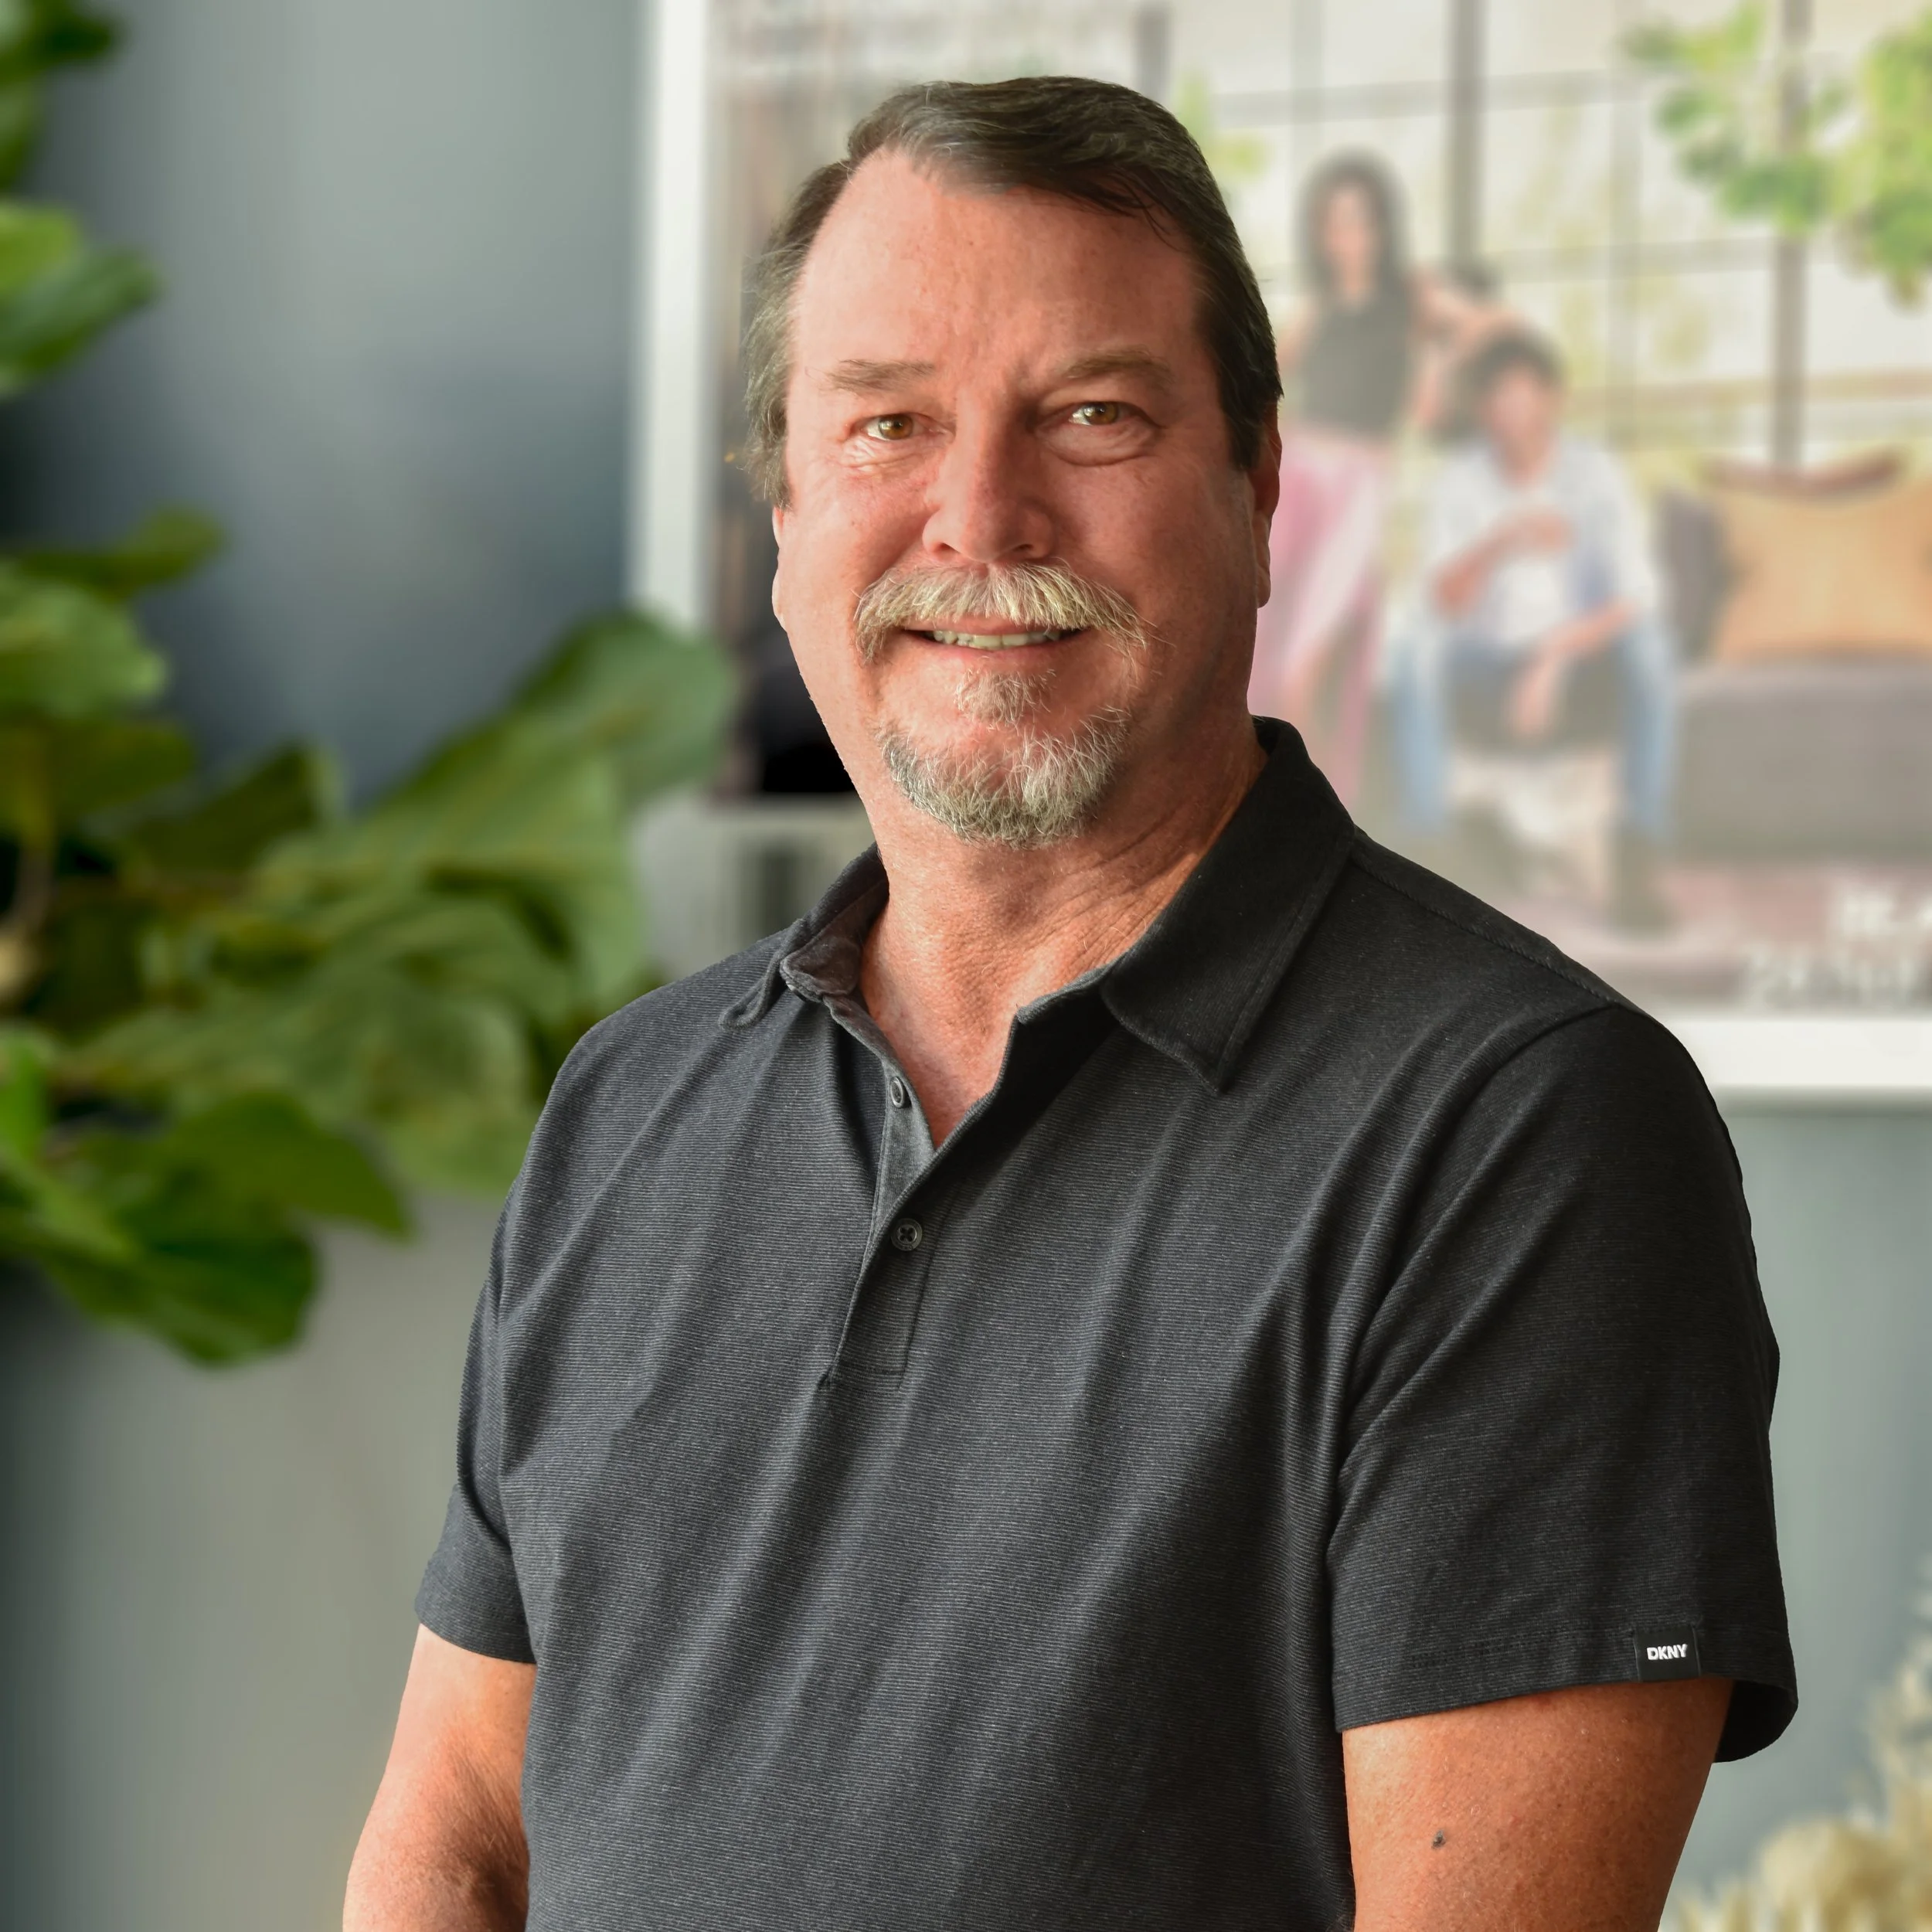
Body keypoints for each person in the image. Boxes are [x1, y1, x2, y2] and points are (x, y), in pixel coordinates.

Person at [346, 78, 1791, 1932]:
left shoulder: (1519, 1131)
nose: (978, 513)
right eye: (885, 426)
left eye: (1091, 415)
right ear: (785, 511)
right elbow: (453, 1841)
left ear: (1259, 482)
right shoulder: (630, 1106)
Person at [1391, 328, 1679, 930]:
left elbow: (1638, 594)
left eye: (1524, 395)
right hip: (1486, 658)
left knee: (1653, 652)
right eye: (1497, 398)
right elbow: (1440, 600)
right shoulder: (1460, 480)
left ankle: (1637, 854)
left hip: (1577, 656)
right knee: (1412, 652)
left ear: (1552, 400)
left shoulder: (1595, 474)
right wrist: (1501, 540)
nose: (1512, 412)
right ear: (1481, 409)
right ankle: (1428, 844)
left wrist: (1552, 657)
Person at [1250, 152, 1496, 801]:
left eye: (1360, 221)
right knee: (1268, 652)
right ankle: (1276, 808)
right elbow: (1256, 381)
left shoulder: (1412, 297)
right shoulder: (1319, 308)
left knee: (1312, 657)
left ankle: (1310, 810)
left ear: (1383, 226)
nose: (1348, 236)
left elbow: (1477, 333)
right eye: (1334, 223)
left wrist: (1439, 351)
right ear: (1320, 233)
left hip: (1362, 484)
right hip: (1302, 476)